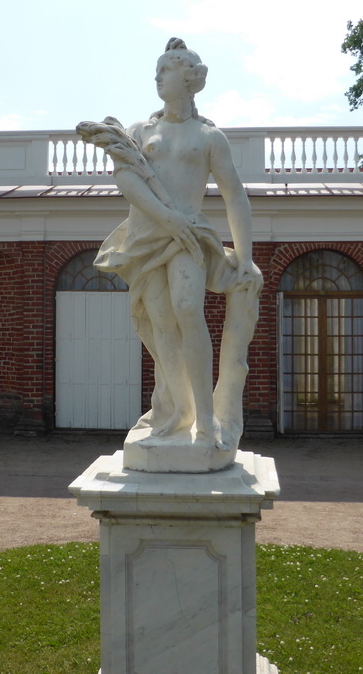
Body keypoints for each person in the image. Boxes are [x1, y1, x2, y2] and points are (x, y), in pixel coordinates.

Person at [77, 38, 263, 453]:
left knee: (186, 309)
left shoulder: (209, 137)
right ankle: (179, 410)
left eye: (165, 70)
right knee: (161, 323)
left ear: (188, 78)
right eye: (158, 71)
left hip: (190, 237)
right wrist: (168, 218)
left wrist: (245, 258)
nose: (157, 77)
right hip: (148, 236)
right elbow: (127, 180)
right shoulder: (141, 131)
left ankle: (207, 419)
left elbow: (235, 195)